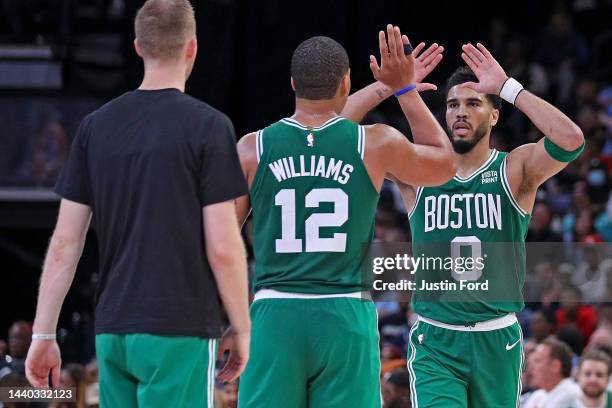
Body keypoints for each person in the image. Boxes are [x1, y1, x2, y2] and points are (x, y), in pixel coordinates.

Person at [24, 1, 250, 407]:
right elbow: (222, 245)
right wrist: (242, 325)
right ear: (192, 48)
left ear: (138, 47)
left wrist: (44, 334)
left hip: (113, 330)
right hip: (178, 325)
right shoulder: (209, 126)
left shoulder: (95, 127)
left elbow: (64, 244)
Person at [228, 25, 455, 407]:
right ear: (347, 82)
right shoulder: (375, 142)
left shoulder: (252, 148)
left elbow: (223, 240)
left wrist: (233, 320)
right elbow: (444, 164)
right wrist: (402, 89)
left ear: (292, 83)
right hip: (345, 312)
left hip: (273, 311)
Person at [349, 41, 585, 406]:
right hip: (436, 341)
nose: (460, 112)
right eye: (452, 105)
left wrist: (509, 88)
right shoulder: (418, 171)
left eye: (473, 103)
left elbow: (570, 141)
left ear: (494, 115)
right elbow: (334, 134)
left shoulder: (513, 169)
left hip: (498, 339)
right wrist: (390, 85)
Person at [524, 338, 580, 408]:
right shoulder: (538, 395)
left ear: (555, 366)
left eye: (537, 361)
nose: (531, 367)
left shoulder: (572, 395)